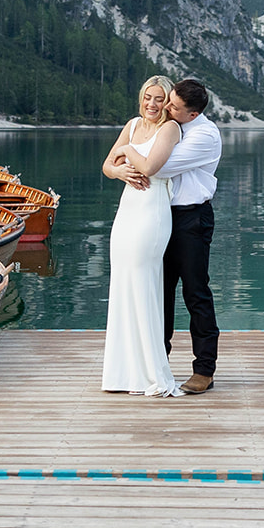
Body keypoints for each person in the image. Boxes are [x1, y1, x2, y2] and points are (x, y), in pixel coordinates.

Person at [122, 77, 220, 395]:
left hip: (192, 219)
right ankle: (156, 364)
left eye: (174, 105)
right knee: (158, 293)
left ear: (192, 114)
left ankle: (204, 370)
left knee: (195, 292)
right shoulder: (169, 124)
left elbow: (156, 168)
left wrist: (127, 150)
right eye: (168, 100)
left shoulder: (204, 135)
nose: (165, 106)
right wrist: (118, 165)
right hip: (159, 217)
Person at [99, 76, 183, 396]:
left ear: (167, 102)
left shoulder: (170, 129)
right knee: (122, 282)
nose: (152, 104)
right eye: (148, 97)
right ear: (140, 98)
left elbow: (148, 167)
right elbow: (108, 165)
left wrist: (126, 151)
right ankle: (123, 374)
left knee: (144, 281)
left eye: (159, 99)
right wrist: (118, 170)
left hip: (152, 210)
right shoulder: (133, 125)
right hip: (128, 209)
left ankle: (150, 373)